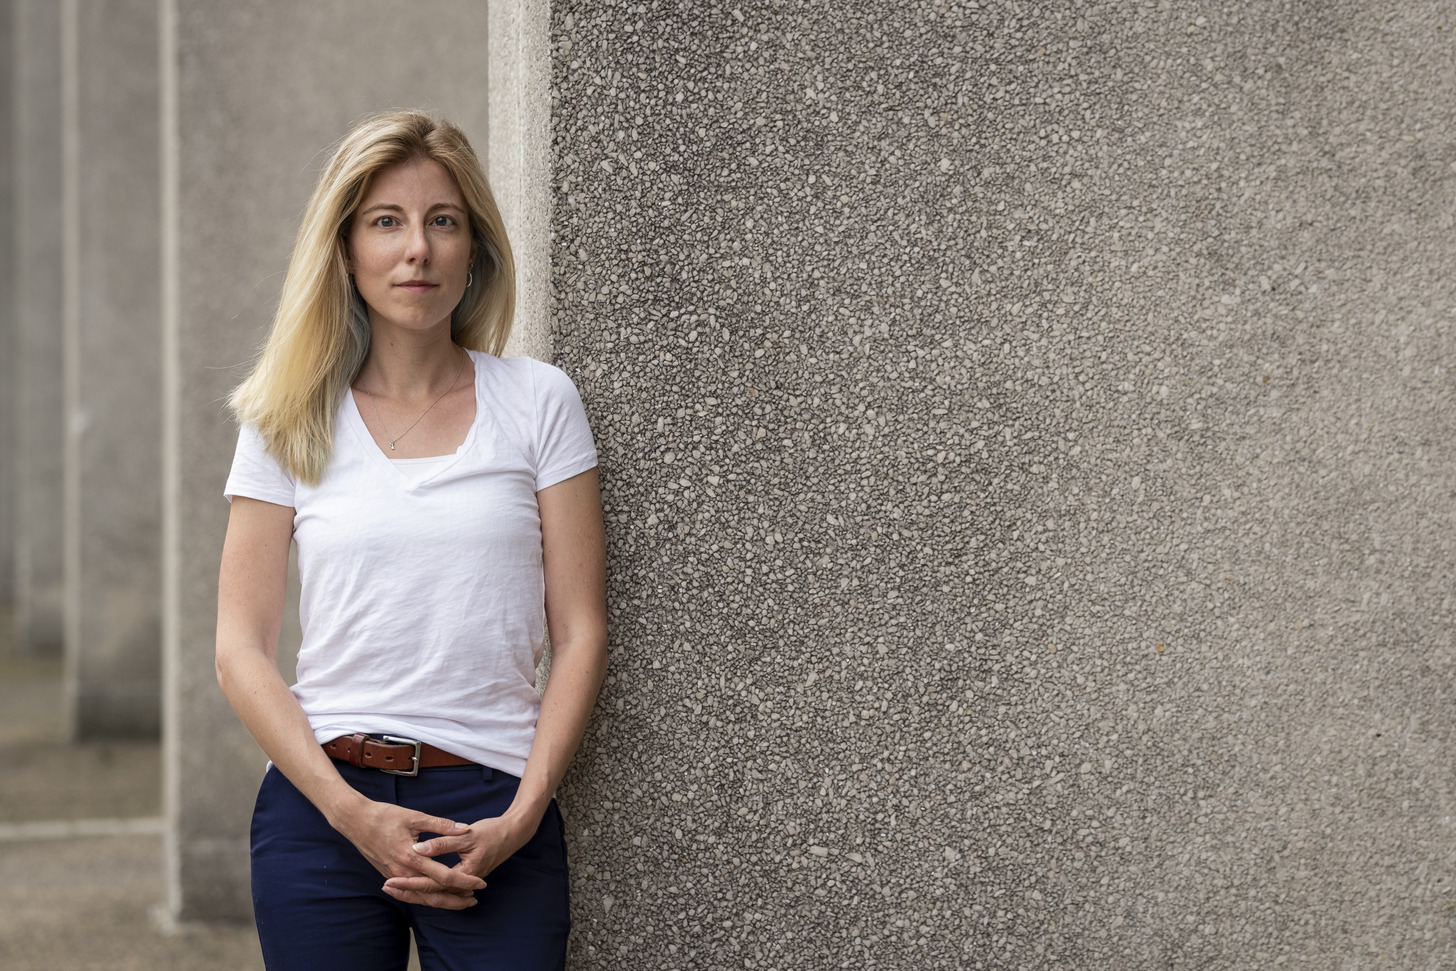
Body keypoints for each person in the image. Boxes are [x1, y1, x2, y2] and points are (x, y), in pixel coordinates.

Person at [215, 110, 607, 971]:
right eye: (385, 222)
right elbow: (240, 648)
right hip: (324, 809)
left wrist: (524, 815)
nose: (417, 250)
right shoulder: (286, 418)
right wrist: (350, 814)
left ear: (475, 248)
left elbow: (582, 630)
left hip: (492, 810)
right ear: (346, 248)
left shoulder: (539, 402)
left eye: (444, 221)